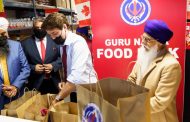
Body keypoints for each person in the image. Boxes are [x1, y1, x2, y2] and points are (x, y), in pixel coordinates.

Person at [127, 19, 181, 122]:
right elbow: (132, 79)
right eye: (143, 38)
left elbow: (160, 102)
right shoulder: (144, 55)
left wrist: (132, 105)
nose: (143, 42)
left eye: (148, 40)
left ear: (160, 43)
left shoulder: (171, 65)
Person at [41, 12, 97, 103]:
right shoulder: (63, 44)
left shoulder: (78, 43)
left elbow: (76, 75)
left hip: (86, 89)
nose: (53, 38)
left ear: (64, 27)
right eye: (50, 35)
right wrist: (64, 81)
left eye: (54, 33)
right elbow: (66, 66)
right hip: (73, 89)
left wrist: (57, 98)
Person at [21, 17, 62, 94]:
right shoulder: (25, 44)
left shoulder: (55, 40)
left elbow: (62, 58)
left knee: (56, 104)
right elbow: (22, 63)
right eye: (37, 27)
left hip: (54, 82)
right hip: (35, 84)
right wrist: (33, 68)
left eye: (42, 27)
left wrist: (53, 66)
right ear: (33, 28)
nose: (40, 29)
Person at [0, 17, 30, 110]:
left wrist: (15, 86)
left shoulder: (16, 46)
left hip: (16, 94)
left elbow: (25, 68)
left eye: (2, 34)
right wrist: (2, 89)